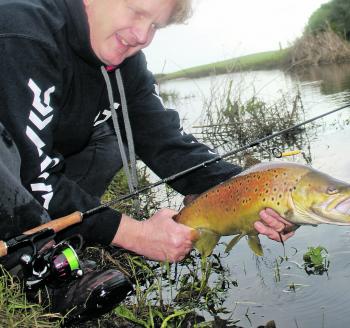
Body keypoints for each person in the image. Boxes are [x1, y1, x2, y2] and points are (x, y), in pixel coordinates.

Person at [0, 0, 295, 322]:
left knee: (110, 144)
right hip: (13, 161)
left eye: (154, 25)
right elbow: (31, 169)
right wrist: (130, 232)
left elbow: (166, 142)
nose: (142, 35)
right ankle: (38, 264)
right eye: (135, 11)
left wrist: (248, 191)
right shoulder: (22, 31)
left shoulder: (125, 63)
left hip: (34, 160)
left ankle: (64, 227)